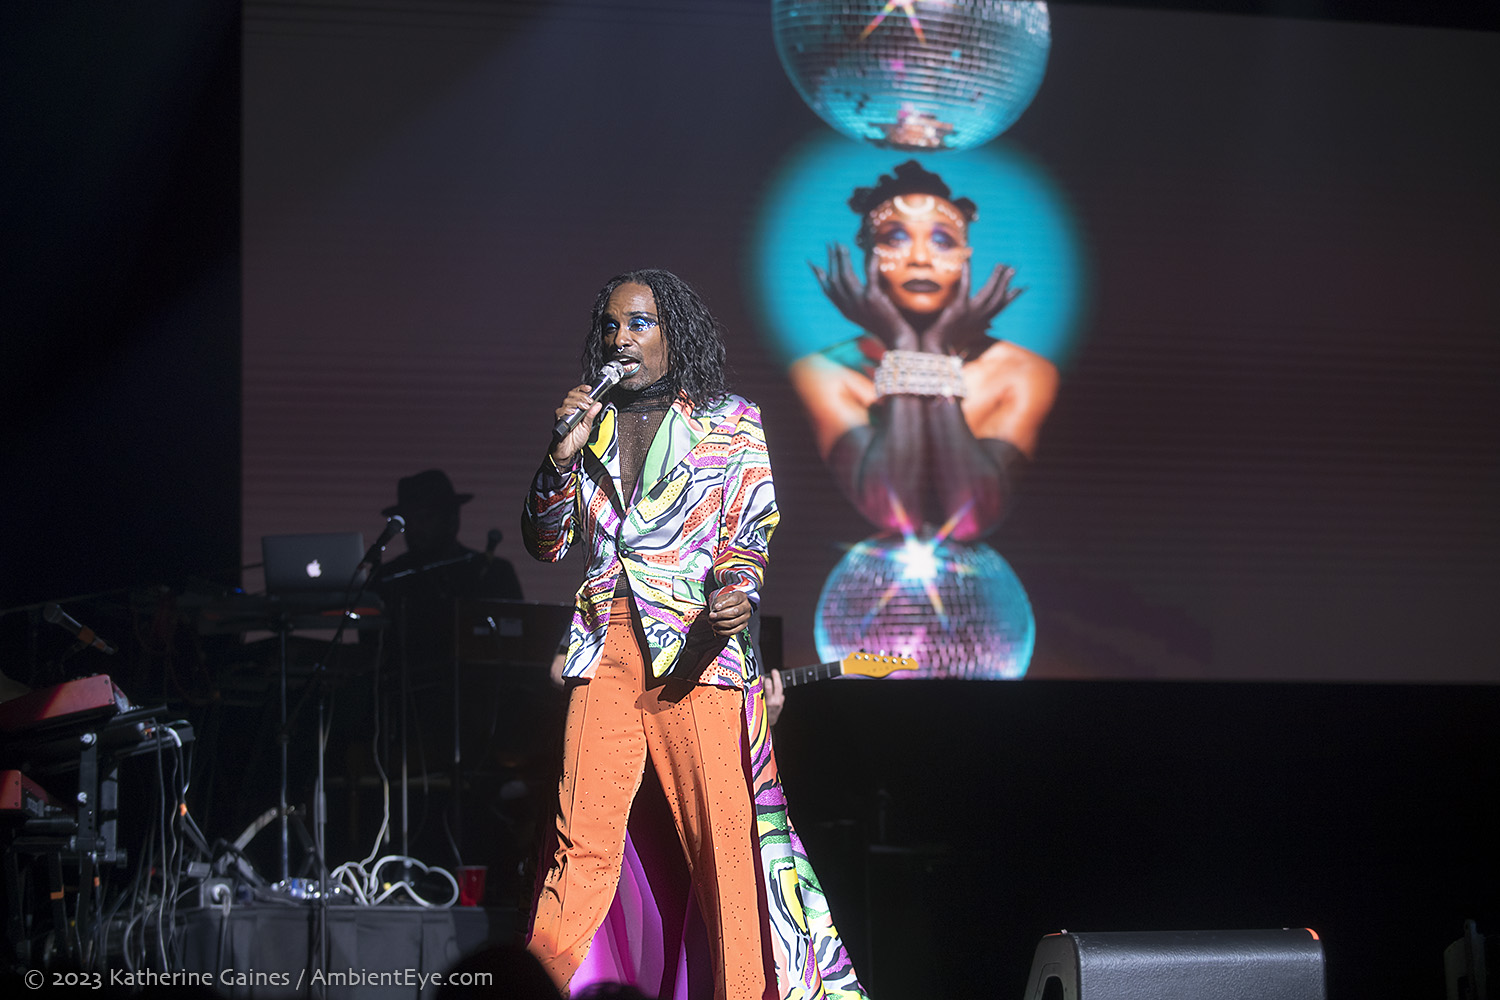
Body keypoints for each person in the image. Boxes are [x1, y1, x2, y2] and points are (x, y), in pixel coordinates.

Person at [522, 269, 862, 1000]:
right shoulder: (591, 424)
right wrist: (558, 459)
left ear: (674, 333)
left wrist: (736, 591)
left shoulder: (730, 420)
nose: (621, 339)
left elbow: (748, 531)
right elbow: (547, 545)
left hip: (697, 649)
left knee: (725, 851)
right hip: (608, 646)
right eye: (611, 325)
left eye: (639, 323)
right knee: (580, 845)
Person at [792, 159, 1059, 542]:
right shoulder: (821, 372)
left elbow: (972, 518)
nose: (920, 258)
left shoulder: (1024, 372)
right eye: (895, 238)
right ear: (867, 255)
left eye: (942, 241)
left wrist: (932, 347)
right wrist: (905, 343)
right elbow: (892, 511)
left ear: (966, 257)